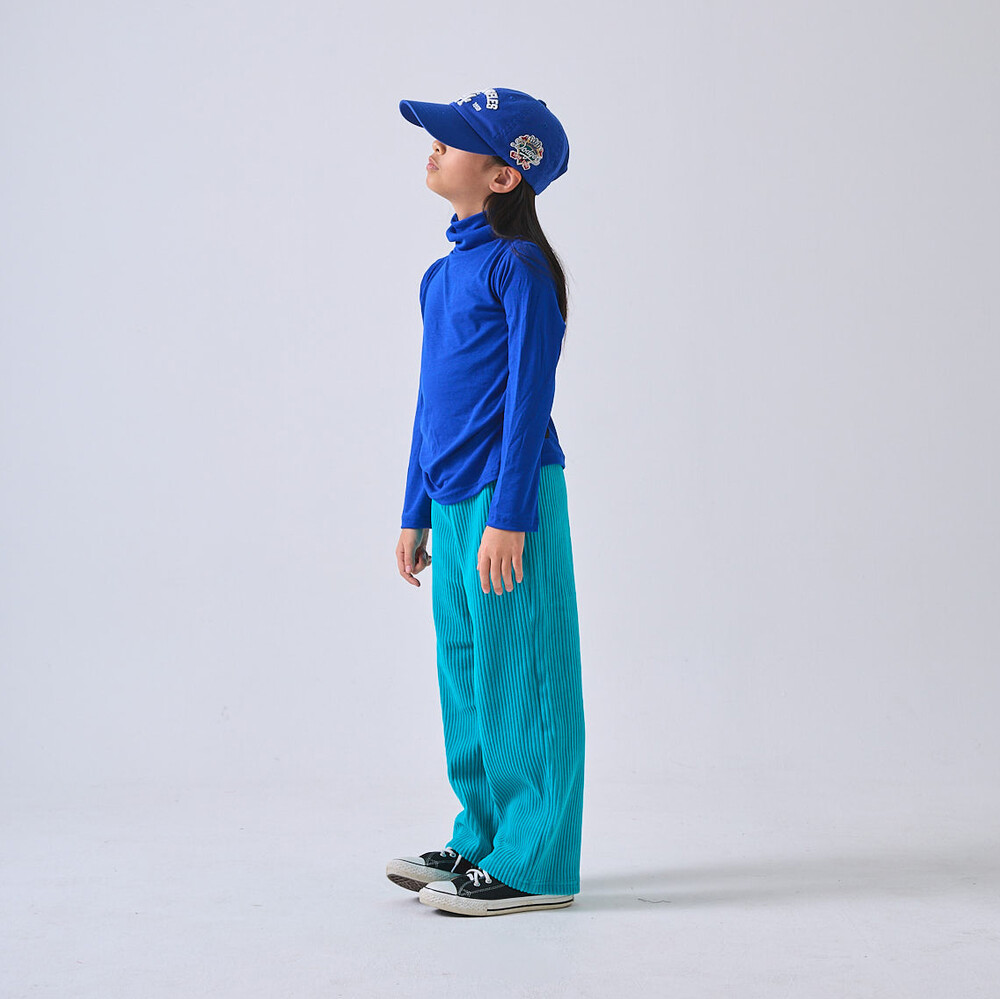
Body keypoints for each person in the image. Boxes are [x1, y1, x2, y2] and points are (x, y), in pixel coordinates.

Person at [385, 87, 585, 917]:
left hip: (511, 495)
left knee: (523, 670)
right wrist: (415, 507)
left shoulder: (520, 267)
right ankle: (482, 837)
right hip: (453, 496)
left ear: (504, 176)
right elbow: (430, 400)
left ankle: (535, 860)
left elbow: (530, 395)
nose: (433, 146)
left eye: (454, 139)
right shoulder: (440, 276)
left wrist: (510, 514)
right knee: (466, 666)